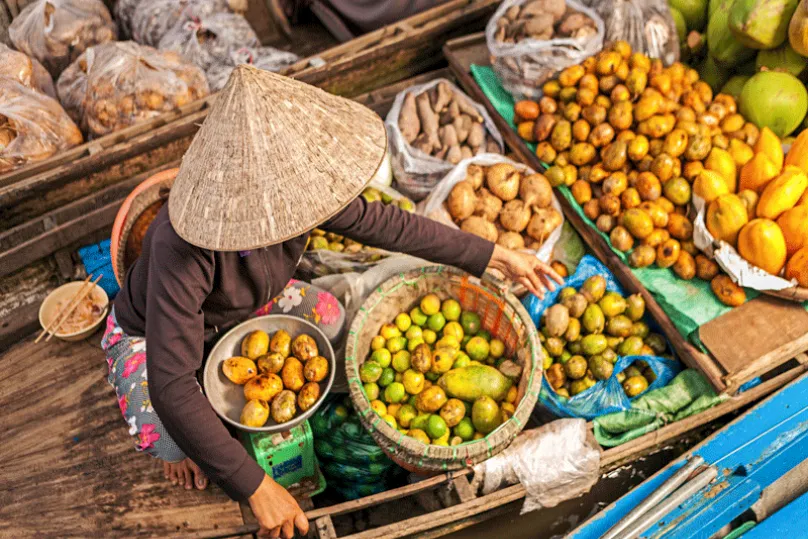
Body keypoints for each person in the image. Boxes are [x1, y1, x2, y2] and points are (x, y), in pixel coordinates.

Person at [101, 65, 562, 539]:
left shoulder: (299, 191)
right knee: (169, 436)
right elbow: (171, 383)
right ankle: (184, 451)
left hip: (242, 312)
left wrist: (490, 254)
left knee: (332, 318)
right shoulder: (182, 245)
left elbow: (390, 225)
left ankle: (214, 433)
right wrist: (254, 485)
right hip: (146, 334)